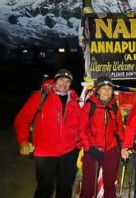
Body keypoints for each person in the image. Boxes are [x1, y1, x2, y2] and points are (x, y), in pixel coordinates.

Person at [14, 69, 81, 198]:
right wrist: (23, 140)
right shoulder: (40, 96)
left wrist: (79, 144)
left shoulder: (74, 100)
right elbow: (22, 119)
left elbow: (79, 124)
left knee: (65, 187)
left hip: (69, 152)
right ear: (55, 82)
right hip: (45, 152)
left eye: (68, 81)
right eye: (61, 80)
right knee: (44, 188)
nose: (64, 83)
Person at [78, 75, 125, 198]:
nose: (106, 91)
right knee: (88, 186)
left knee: (109, 185)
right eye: (103, 88)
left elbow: (120, 129)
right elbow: (81, 129)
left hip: (111, 150)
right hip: (92, 150)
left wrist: (126, 146)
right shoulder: (90, 106)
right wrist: (89, 148)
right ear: (97, 90)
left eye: (109, 88)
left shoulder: (115, 107)